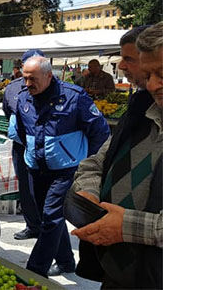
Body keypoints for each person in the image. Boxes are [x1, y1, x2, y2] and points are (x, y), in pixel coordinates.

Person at [70, 22, 162, 289]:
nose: (153, 84)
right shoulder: (143, 111)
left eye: (162, 73)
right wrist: (89, 193)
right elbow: (96, 162)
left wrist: (127, 226)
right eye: (149, 74)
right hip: (118, 274)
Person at [9, 55, 110, 277]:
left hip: (65, 171)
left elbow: (100, 132)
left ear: (48, 75)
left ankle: (35, 271)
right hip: (36, 168)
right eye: (24, 78)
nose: (27, 84)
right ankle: (65, 262)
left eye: (32, 78)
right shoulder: (24, 97)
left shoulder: (74, 97)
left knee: (50, 218)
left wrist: (88, 165)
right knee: (51, 217)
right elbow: (24, 132)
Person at [1, 49, 45, 241]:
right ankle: (32, 226)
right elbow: (7, 111)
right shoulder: (12, 88)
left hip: (45, 147)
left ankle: (48, 227)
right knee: (26, 188)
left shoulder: (57, 88)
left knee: (44, 188)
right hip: (21, 146)